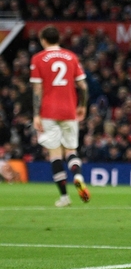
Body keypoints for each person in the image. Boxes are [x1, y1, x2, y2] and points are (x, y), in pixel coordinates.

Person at [30, 25, 91, 207]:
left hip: (49, 111)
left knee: (55, 153)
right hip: (69, 110)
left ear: (43, 40)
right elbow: (83, 86)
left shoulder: (38, 58)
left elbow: (37, 89)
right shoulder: (71, 57)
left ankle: (64, 197)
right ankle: (78, 176)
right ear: (59, 39)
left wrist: (36, 114)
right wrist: (82, 106)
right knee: (71, 151)